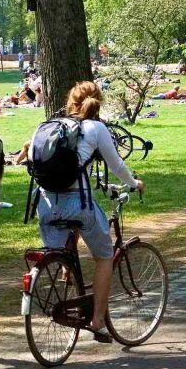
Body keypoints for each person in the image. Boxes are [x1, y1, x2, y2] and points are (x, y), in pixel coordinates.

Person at [28, 82, 144, 344]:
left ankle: (66, 268)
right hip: (77, 203)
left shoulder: (48, 126)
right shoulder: (96, 128)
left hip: (45, 204)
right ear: (98, 103)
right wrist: (134, 183)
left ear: (71, 101)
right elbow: (116, 164)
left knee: (59, 249)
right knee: (104, 257)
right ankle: (98, 321)